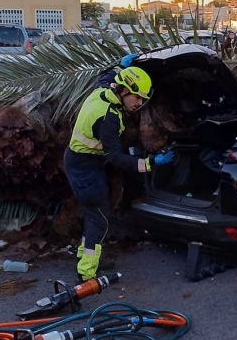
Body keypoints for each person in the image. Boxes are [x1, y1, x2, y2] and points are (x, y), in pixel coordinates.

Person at [64, 60, 175, 281]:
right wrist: (151, 163)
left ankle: (86, 258)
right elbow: (115, 158)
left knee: (94, 213)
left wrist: (121, 65)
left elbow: (105, 76)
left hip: (80, 162)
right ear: (124, 91)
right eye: (137, 97)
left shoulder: (105, 90)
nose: (140, 103)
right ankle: (86, 273)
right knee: (100, 217)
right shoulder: (109, 119)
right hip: (85, 168)